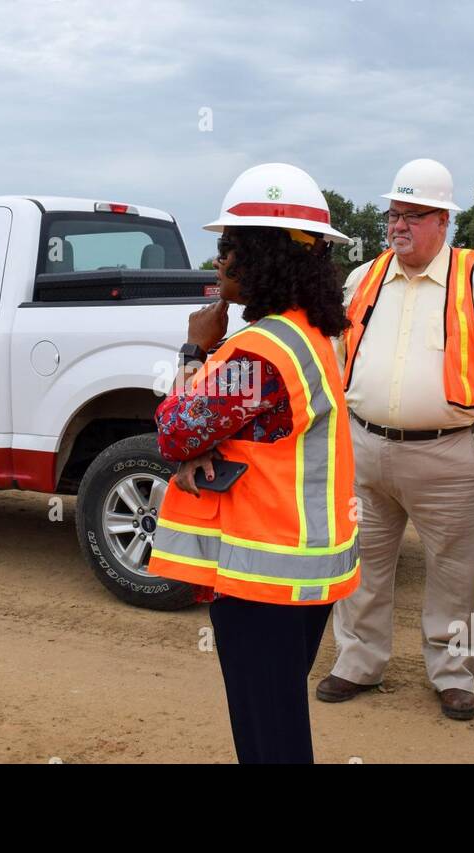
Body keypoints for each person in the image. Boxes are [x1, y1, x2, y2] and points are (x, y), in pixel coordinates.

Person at [148, 163, 360, 763]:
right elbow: (232, 433)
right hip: (301, 568)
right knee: (279, 719)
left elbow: (174, 431)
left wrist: (195, 348)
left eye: (229, 248)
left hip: (266, 576)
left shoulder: (261, 354)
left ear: (264, 256)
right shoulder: (307, 334)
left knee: (269, 736)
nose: (220, 263)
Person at [316, 158, 474, 720]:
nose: (399, 226)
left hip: (450, 454)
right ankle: (358, 662)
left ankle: (454, 673)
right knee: (362, 563)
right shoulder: (363, 279)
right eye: (394, 214)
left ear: (444, 221)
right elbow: (336, 358)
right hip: (366, 449)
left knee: (456, 575)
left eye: (414, 215)